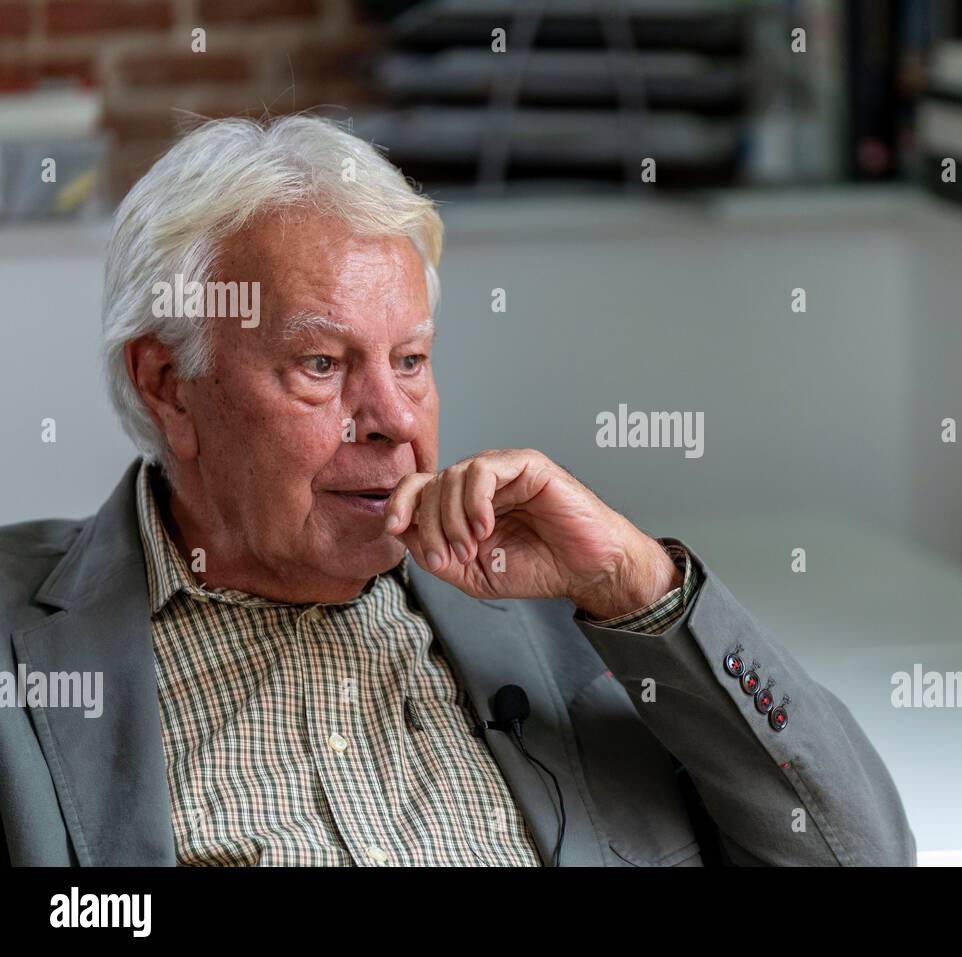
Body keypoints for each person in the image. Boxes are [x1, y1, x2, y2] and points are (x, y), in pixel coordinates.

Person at [0, 115, 915, 867]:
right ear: (169, 384)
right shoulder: (30, 651)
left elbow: (858, 855)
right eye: (321, 364)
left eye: (410, 360)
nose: (394, 418)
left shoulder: (574, 612)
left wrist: (639, 586)